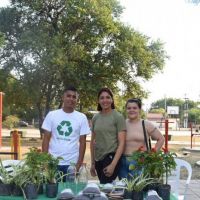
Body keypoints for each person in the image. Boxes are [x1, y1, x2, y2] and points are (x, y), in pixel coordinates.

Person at [42, 86, 91, 179]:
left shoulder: (81, 117)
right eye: (68, 96)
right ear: (63, 97)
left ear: (77, 100)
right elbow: (46, 139)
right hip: (53, 163)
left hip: (71, 164)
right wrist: (45, 163)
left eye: (74, 97)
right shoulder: (52, 115)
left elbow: (83, 142)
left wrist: (79, 164)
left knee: (70, 192)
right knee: (52, 192)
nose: (71, 99)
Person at [118, 98, 165, 179]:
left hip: (139, 162)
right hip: (122, 162)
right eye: (129, 108)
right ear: (126, 110)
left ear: (139, 109)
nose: (131, 110)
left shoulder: (146, 124)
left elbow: (161, 139)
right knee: (124, 189)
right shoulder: (122, 123)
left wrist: (151, 155)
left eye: (134, 108)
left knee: (138, 189)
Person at [90, 87, 126, 184]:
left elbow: (122, 143)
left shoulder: (118, 117)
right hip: (98, 159)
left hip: (111, 157)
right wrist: (92, 163)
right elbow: (92, 142)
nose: (105, 100)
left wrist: (113, 165)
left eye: (108, 97)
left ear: (112, 100)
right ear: (98, 100)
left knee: (105, 187)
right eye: (102, 98)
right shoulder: (95, 117)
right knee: (104, 187)